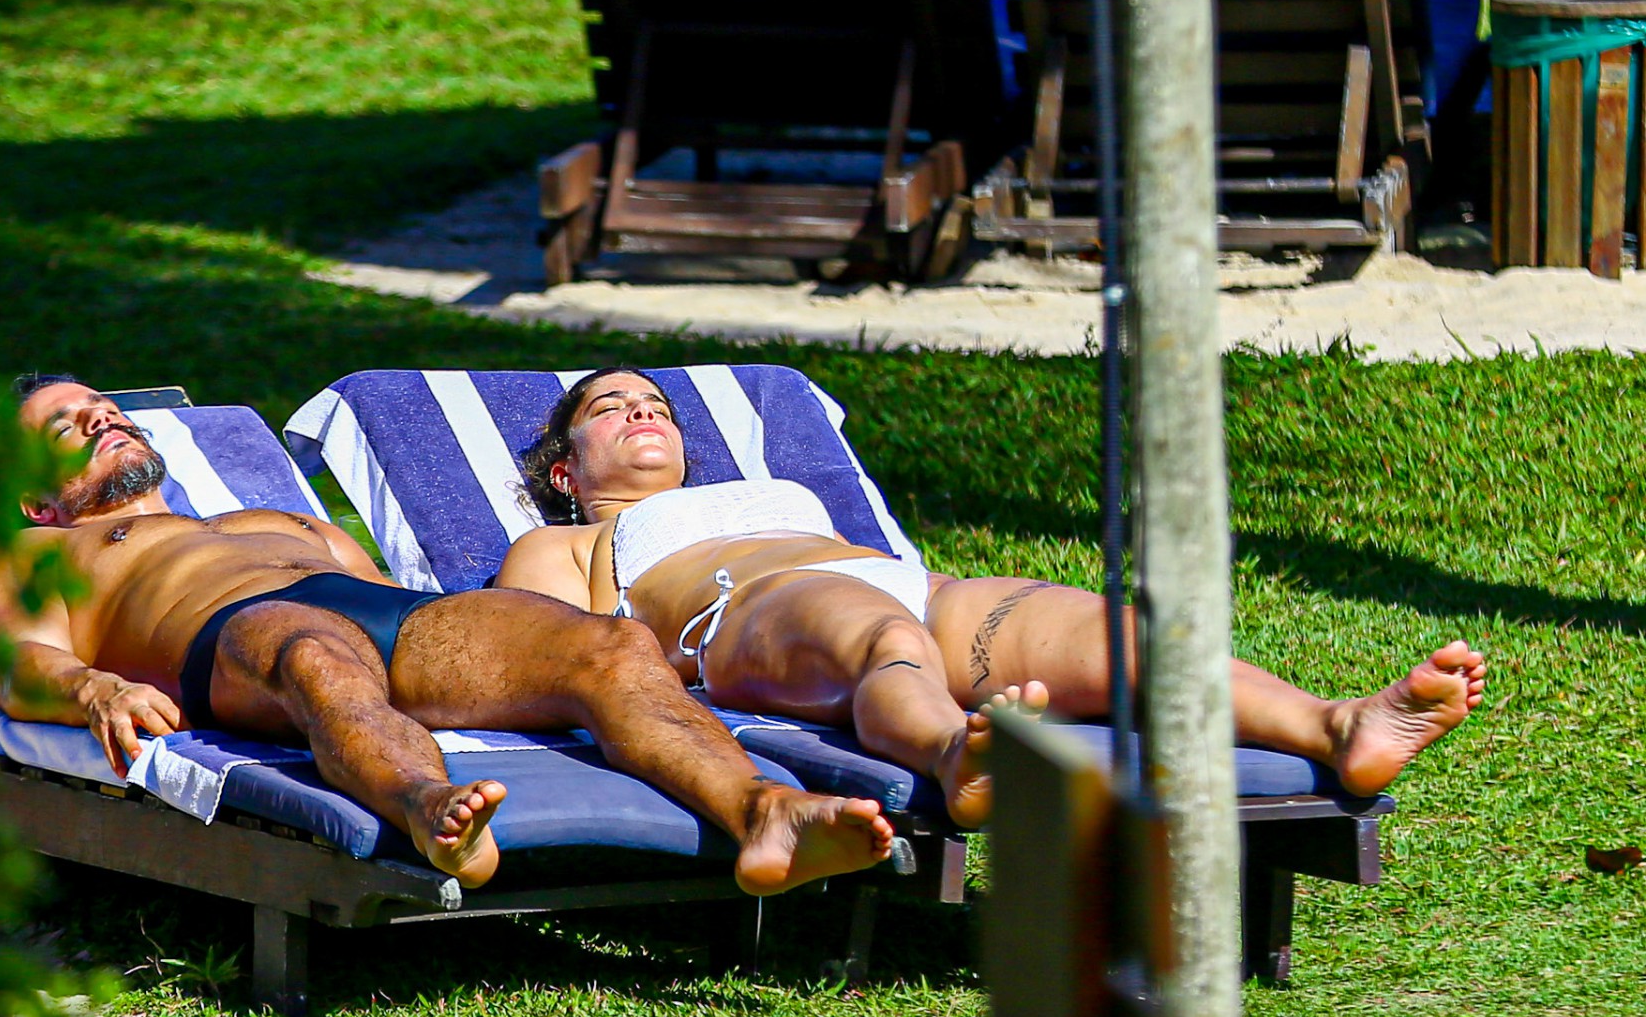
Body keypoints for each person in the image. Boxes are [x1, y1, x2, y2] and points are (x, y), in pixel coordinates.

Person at [0, 375, 896, 895]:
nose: (105, 420)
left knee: (606, 648)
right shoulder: (41, 549)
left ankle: (763, 810)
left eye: (110, 411)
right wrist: (96, 689)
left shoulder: (273, 514)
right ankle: (424, 804)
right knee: (314, 656)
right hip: (231, 636)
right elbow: (2, 655)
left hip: (376, 612)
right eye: (70, 427)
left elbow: (388, 608)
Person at [495, 367, 1488, 828]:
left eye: (658, 404)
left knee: (1112, 634)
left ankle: (1337, 726)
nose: (643, 413)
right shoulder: (571, 541)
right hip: (746, 615)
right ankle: (950, 754)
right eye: (610, 407)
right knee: (878, 638)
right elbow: (548, 654)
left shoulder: (757, 489)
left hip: (920, 590)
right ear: (566, 470)